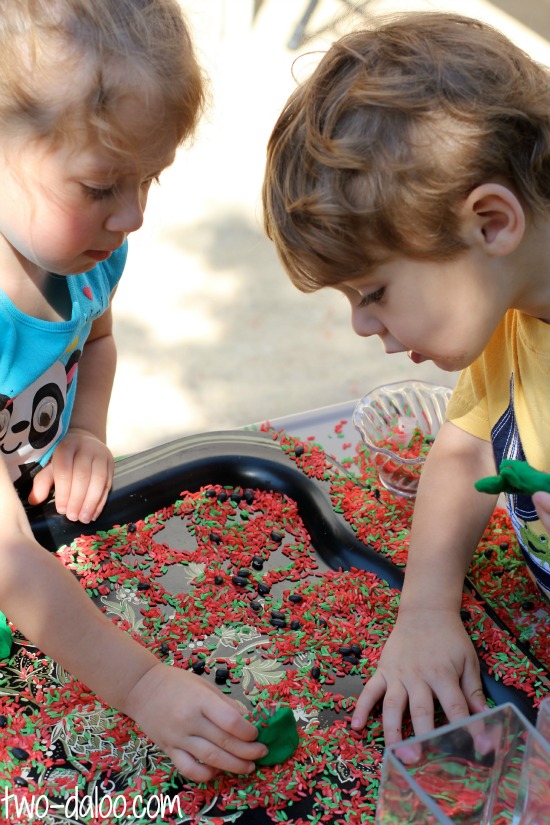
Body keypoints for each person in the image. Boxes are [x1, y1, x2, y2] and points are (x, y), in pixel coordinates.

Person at [262, 11, 550, 757]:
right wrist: (425, 608)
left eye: (374, 291)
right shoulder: (511, 308)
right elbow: (465, 449)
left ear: (490, 223)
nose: (363, 326)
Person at [0, 0, 267, 781]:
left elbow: (99, 341)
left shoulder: (87, 252)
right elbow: (11, 561)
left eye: (150, 178)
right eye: (102, 184)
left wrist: (85, 428)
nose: (135, 215)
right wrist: (143, 684)